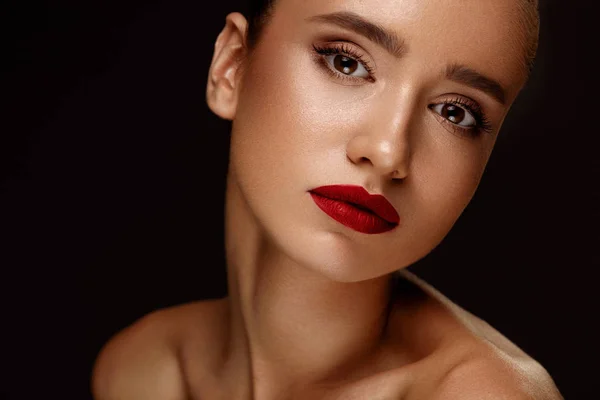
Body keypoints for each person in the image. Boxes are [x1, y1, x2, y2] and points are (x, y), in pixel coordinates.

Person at [91, 0, 564, 398]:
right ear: (232, 66)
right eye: (347, 62)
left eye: (454, 112)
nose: (388, 152)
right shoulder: (144, 371)